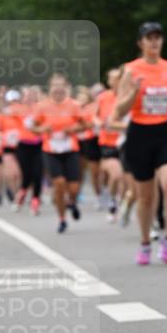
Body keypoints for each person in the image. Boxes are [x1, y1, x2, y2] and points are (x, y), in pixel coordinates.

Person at [115, 21, 167, 265]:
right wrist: (133, 93)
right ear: (140, 43)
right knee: (145, 196)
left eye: (158, 38)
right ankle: (145, 242)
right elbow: (119, 110)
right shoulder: (131, 70)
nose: (154, 42)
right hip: (140, 134)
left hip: (166, 132)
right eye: (149, 38)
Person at [28, 73, 89, 233]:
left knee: (74, 188)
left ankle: (72, 201)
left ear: (66, 87)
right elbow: (33, 128)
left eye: (61, 85)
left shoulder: (74, 105)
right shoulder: (42, 106)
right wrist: (43, 129)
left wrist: (72, 129)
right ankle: (62, 219)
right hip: (51, 150)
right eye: (55, 85)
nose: (58, 88)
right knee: (59, 183)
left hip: (70, 149)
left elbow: (85, 125)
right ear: (50, 88)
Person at [95, 69, 125, 222]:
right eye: (114, 79)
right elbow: (94, 116)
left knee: (126, 178)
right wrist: (99, 123)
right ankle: (112, 200)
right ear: (109, 81)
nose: (116, 82)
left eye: (119, 78)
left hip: (126, 141)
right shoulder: (103, 97)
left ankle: (119, 200)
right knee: (116, 174)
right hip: (108, 143)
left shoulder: (128, 96)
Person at [14, 85, 44, 215]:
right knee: (27, 174)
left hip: (39, 144)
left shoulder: (41, 108)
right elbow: (2, 109)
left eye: (31, 95)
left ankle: (35, 201)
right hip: (23, 145)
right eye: (26, 95)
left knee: (38, 174)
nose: (29, 97)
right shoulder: (18, 108)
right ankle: (22, 192)